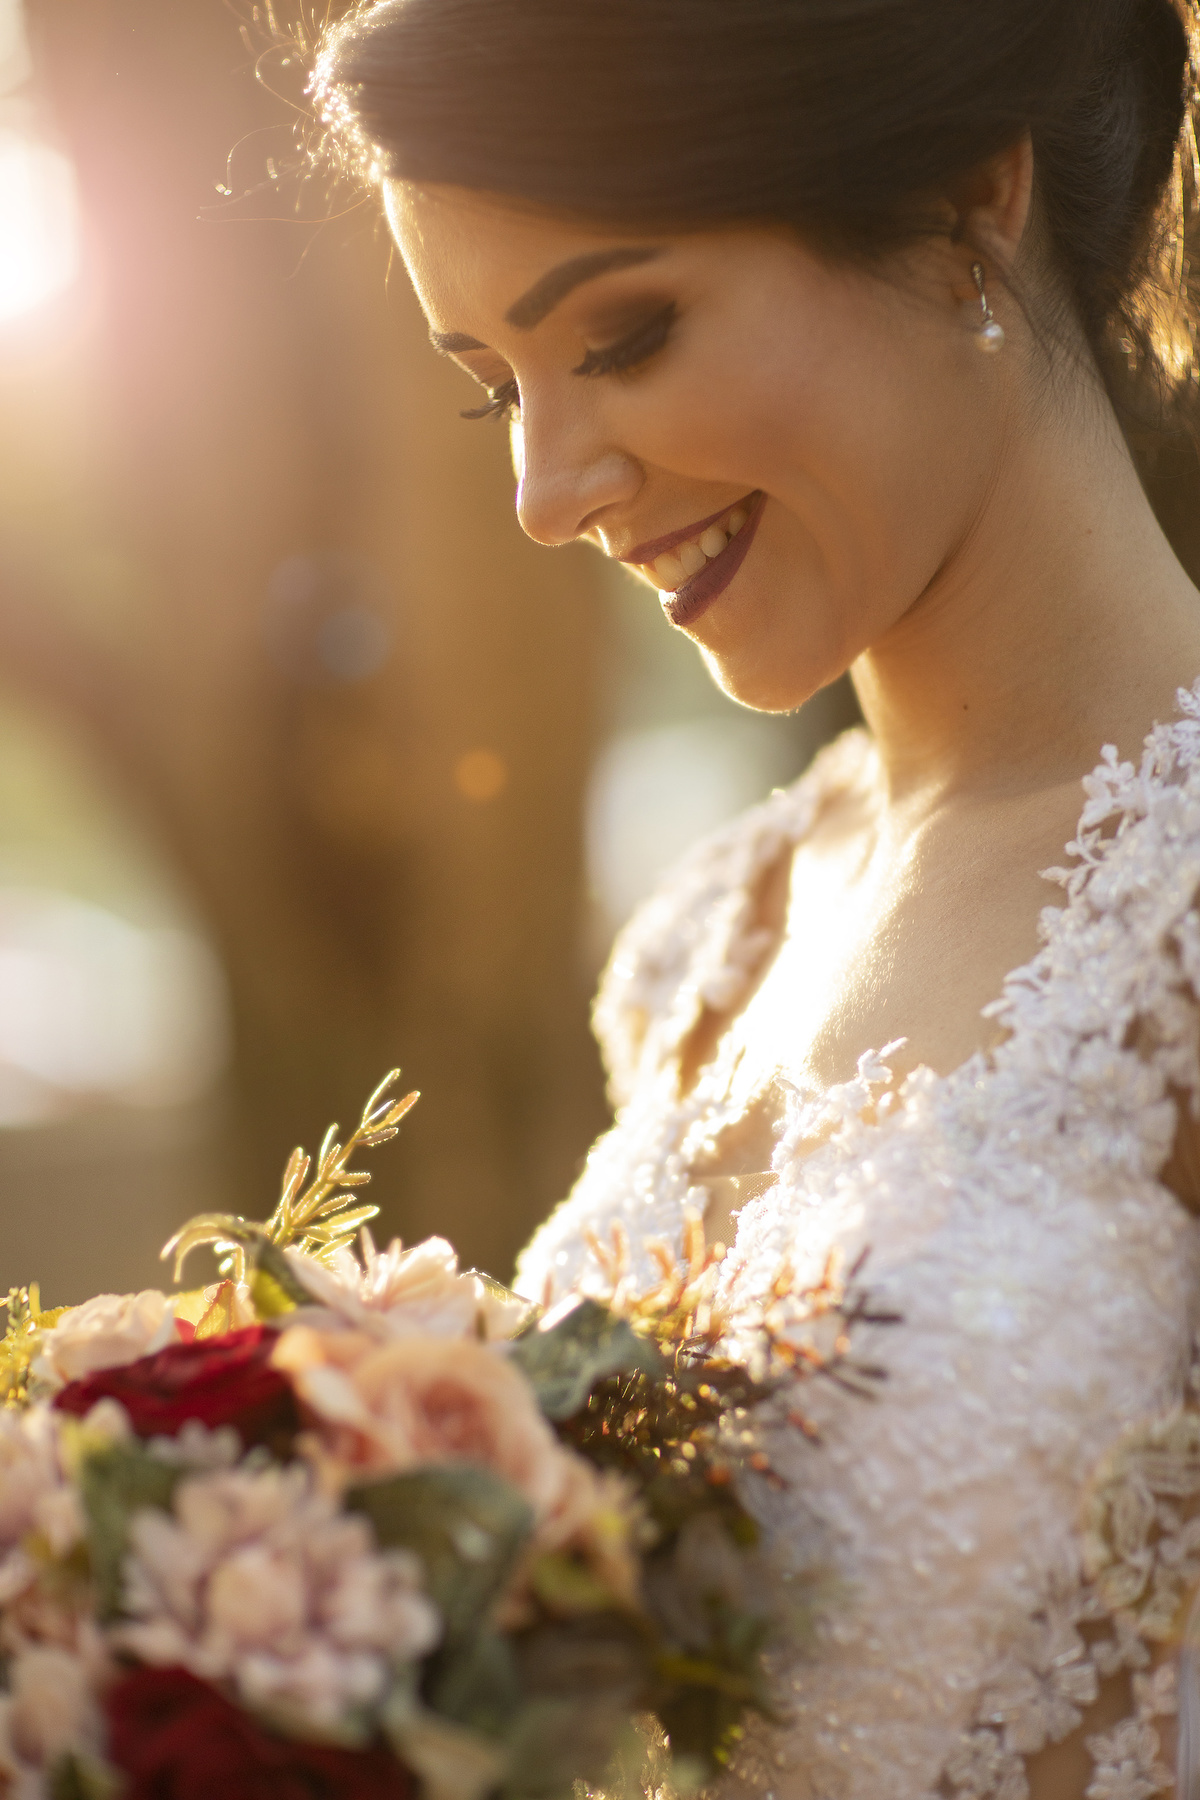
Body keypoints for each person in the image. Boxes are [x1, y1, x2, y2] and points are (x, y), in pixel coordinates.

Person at [315, 2, 1200, 1794]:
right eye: (498, 384)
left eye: (623, 336)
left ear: (965, 202)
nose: (544, 491)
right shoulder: (713, 940)